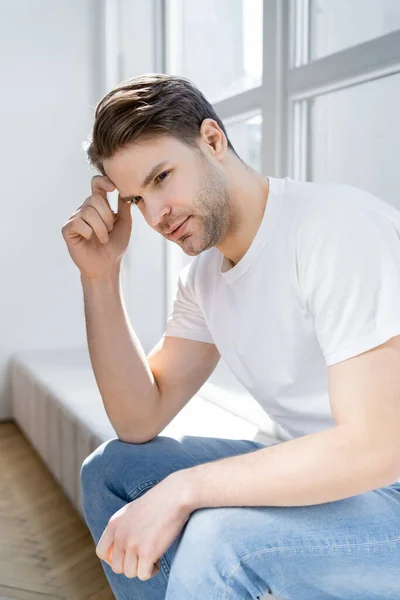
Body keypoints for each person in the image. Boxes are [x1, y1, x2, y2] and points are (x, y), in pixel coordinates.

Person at [61, 73, 400, 600]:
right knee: (113, 472)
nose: (155, 215)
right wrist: (100, 276)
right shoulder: (204, 279)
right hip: (345, 483)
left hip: (391, 493)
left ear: (213, 141)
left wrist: (187, 489)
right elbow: (138, 417)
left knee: (221, 540)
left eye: (161, 178)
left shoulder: (333, 231)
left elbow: (377, 448)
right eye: (134, 200)